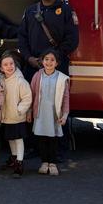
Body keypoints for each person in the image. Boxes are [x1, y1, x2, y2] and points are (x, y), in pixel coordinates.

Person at [18, 0, 80, 79]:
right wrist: (28, 58)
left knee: (58, 94)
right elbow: (22, 37)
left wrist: (53, 58)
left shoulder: (66, 10)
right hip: (33, 65)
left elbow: (72, 39)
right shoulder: (30, 11)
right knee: (33, 94)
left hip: (57, 65)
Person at [30, 49, 70, 177]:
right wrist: (29, 112)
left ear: (57, 63)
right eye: (46, 59)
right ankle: (44, 162)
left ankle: (52, 163)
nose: (49, 62)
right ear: (42, 61)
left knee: (53, 139)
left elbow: (65, 99)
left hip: (54, 113)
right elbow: (32, 94)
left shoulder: (61, 78)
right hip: (41, 112)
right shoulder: (37, 76)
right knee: (41, 138)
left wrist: (64, 115)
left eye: (52, 60)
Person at [0, 52, 33, 178]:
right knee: (11, 138)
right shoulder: (1, 80)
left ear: (15, 65)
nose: (9, 66)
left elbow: (27, 98)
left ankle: (20, 162)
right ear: (1, 68)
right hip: (6, 116)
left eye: (11, 64)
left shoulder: (20, 81)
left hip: (17, 116)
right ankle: (13, 158)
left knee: (18, 139)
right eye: (6, 65)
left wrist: (20, 110)